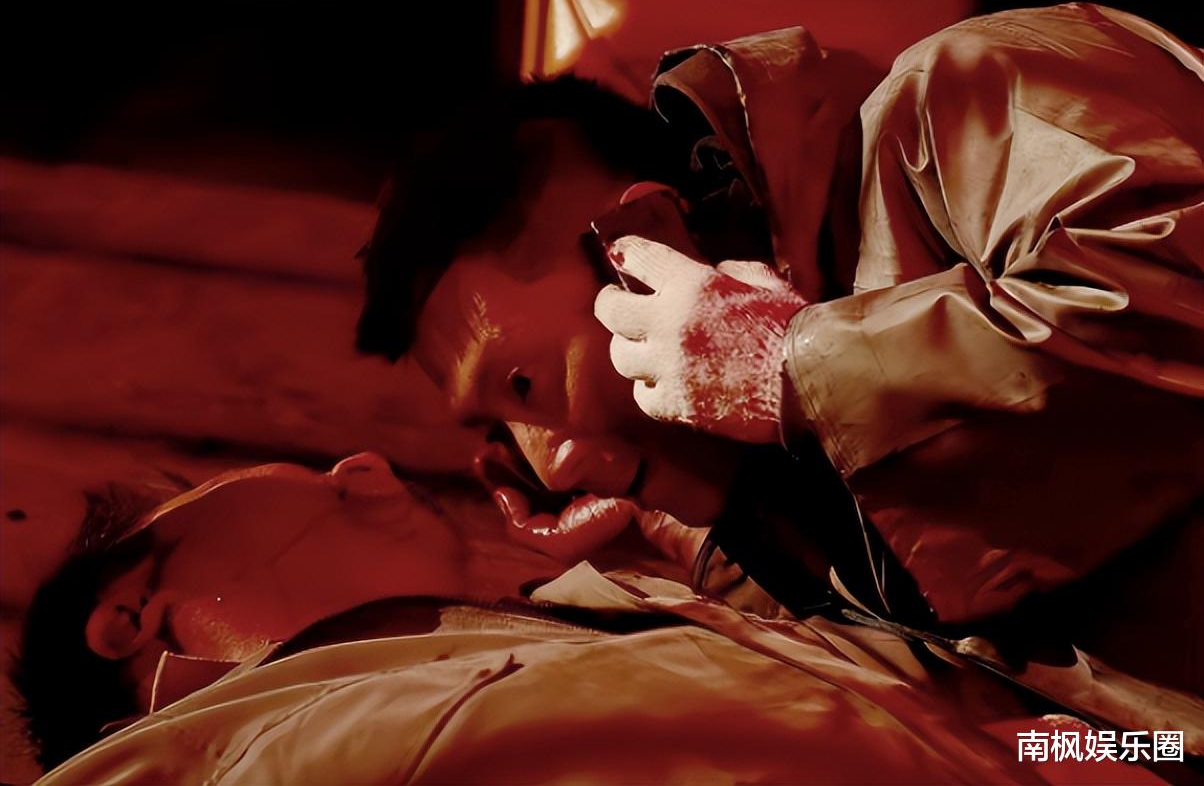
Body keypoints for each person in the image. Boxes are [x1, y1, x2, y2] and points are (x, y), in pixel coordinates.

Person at [356, 3, 1204, 696]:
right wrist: (724, 527)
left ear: (646, 238)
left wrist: (792, 369)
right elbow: (1006, 701)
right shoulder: (774, 476)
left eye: (525, 386)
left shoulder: (962, 95)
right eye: (502, 434)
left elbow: (1171, 309)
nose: (556, 465)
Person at [16, 456, 1110, 785]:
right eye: (200, 491)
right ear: (131, 620)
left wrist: (712, 547)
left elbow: (1002, 736)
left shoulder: (576, 625)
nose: (357, 463)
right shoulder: (326, 761)